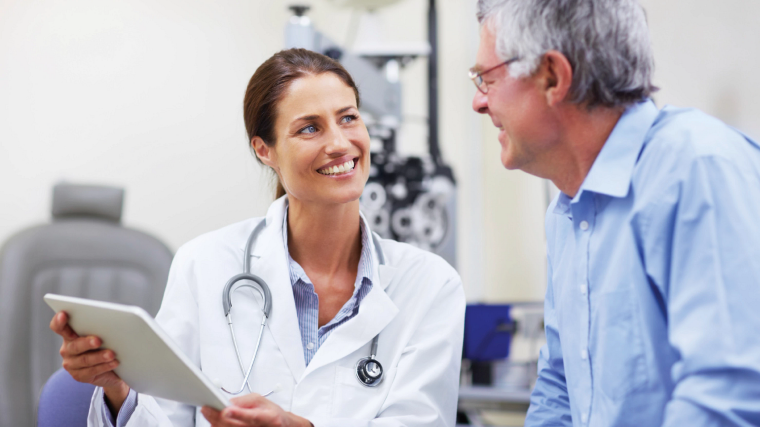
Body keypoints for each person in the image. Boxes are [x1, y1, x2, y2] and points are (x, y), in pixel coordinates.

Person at [50, 48, 465, 427]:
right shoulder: (205, 264)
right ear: (265, 150)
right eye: (309, 129)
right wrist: (118, 390)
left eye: (348, 117)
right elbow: (165, 416)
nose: (340, 144)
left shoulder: (430, 285)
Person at [471, 0, 760, 426]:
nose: (478, 103)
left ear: (553, 76)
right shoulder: (565, 212)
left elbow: (726, 395)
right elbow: (559, 387)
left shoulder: (697, 168)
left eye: (486, 79)